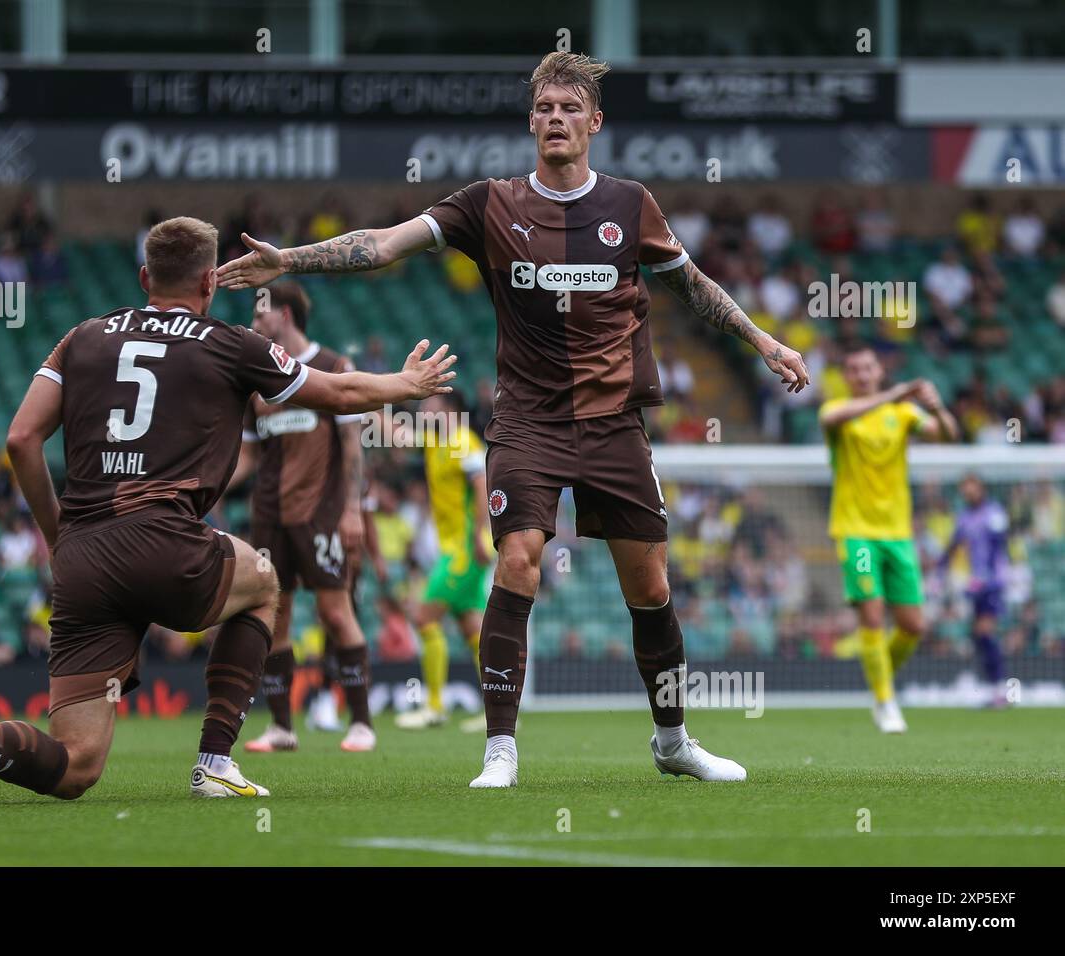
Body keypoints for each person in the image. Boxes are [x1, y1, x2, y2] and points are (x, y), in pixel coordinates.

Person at [219, 52, 809, 787]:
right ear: (531, 121)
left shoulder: (630, 205)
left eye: (569, 108)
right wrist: (293, 261)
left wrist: (762, 340)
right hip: (528, 423)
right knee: (519, 558)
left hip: (615, 423)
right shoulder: (490, 203)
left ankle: (673, 741)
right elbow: (384, 244)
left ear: (594, 122)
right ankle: (500, 749)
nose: (554, 119)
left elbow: (690, 284)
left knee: (649, 588)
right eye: (543, 108)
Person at [0, 216, 457, 807]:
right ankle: (215, 762)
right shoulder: (231, 344)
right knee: (265, 585)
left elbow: (19, 440)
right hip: (163, 542)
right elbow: (340, 394)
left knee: (75, 768)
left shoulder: (82, 337)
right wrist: (407, 383)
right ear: (210, 283)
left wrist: (57, 534)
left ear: (145, 277)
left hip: (84, 561)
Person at [226, 280, 377, 753]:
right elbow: (248, 459)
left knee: (335, 612)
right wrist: (196, 488)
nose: (254, 323)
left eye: (260, 314)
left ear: (285, 315)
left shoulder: (334, 368)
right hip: (269, 516)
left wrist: (353, 510)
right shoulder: (259, 381)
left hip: (322, 514)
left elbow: (354, 448)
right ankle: (282, 728)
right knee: (275, 616)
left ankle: (361, 723)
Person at [819, 345, 960, 733]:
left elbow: (947, 437)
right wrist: (894, 394)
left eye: (867, 367)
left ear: (879, 370)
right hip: (856, 532)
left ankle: (879, 680)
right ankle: (885, 701)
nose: (861, 374)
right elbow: (835, 417)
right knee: (873, 613)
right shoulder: (837, 413)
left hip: (898, 534)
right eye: (854, 369)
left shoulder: (902, 414)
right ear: (847, 376)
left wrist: (937, 408)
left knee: (913, 625)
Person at [394, 390, 493, 731]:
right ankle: (499, 711)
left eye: (428, 404)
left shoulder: (464, 441)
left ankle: (434, 706)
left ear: (448, 408)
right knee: (472, 627)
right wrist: (363, 402)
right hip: (453, 549)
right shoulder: (434, 441)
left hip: (464, 549)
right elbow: (397, 435)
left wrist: (482, 534)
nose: (422, 408)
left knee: (422, 616)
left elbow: (483, 486)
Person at [941, 474, 1012, 707]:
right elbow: (953, 545)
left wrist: (986, 576)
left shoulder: (995, 512)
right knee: (980, 636)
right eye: (965, 490)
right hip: (976, 583)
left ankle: (1001, 690)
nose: (968, 493)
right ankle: (995, 689)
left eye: (972, 489)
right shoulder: (964, 517)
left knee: (985, 632)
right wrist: (940, 570)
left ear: (981, 488)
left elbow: (998, 544)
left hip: (994, 582)